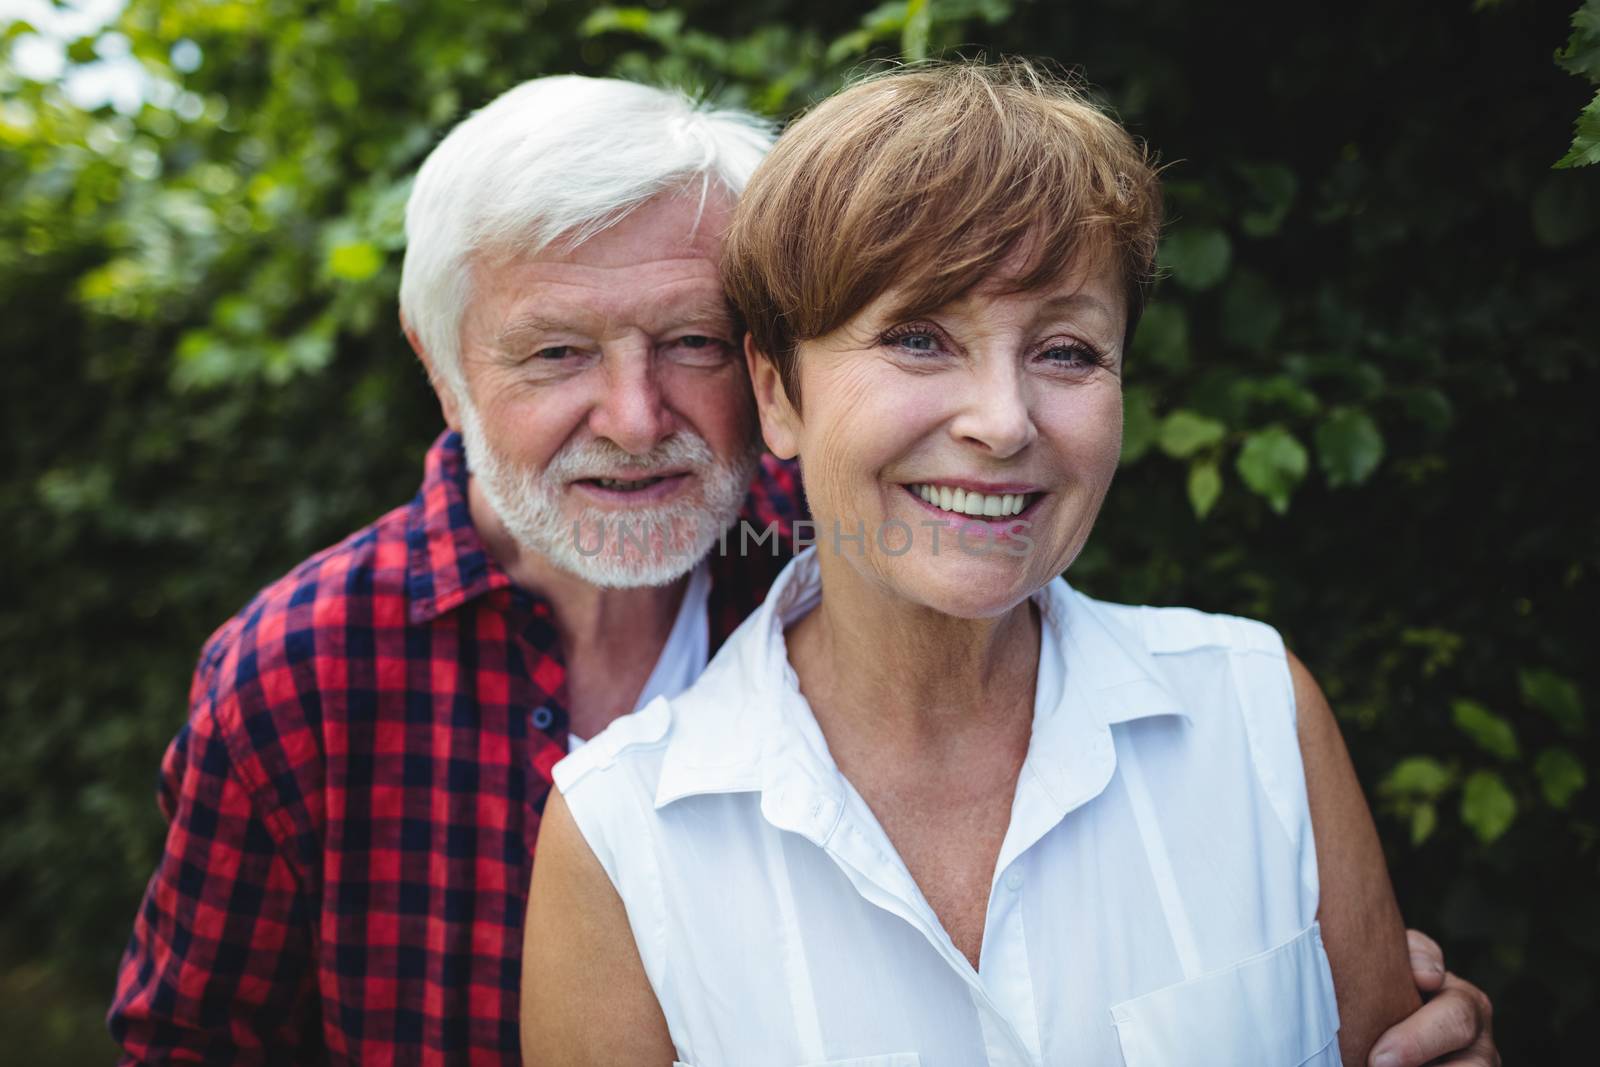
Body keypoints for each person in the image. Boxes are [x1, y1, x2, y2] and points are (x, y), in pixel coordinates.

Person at [108, 74, 1495, 1065]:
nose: (639, 417)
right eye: (554, 353)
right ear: (443, 368)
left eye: (692, 341)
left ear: (764, 372)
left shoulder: (903, 543)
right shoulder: (306, 673)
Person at [521, 63, 1497, 1067]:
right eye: (917, 337)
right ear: (777, 391)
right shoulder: (621, 834)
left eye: (1067, 351)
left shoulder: (1255, 713)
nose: (1001, 421)